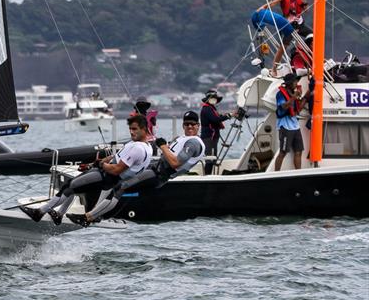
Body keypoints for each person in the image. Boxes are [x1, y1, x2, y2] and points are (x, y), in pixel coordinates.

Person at [68, 110, 205, 224]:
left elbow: (175, 163)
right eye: (187, 124)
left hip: (158, 175)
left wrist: (163, 146)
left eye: (193, 124)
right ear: (183, 125)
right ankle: (95, 213)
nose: (190, 127)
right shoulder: (183, 138)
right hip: (153, 168)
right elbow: (169, 153)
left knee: (120, 188)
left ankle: (88, 217)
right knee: (114, 180)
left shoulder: (193, 144)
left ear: (198, 125)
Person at [20, 114, 152, 224]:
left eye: (135, 129)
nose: (131, 132)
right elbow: (116, 157)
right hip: (104, 175)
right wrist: (94, 164)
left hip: (107, 177)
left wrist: (101, 165)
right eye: (130, 129)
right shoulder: (146, 146)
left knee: (70, 187)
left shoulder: (137, 148)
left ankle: (39, 213)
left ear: (144, 129)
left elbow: (117, 169)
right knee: (71, 186)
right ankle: (59, 215)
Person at [257, 0, 312, 73]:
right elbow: (273, 3)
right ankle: (274, 68)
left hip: (299, 23)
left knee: (312, 36)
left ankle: (308, 58)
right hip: (289, 25)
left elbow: (306, 10)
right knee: (283, 47)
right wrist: (263, 8)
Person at [275, 73, 306, 170]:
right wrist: (294, 96)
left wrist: (306, 96)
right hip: (285, 126)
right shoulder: (280, 94)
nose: (296, 83)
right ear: (289, 83)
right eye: (295, 81)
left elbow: (298, 110)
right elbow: (284, 106)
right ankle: (275, 175)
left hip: (295, 126)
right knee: (282, 152)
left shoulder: (294, 92)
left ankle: (298, 173)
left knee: (298, 151)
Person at [200, 89, 232, 174]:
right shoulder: (206, 109)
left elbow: (217, 117)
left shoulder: (211, 108)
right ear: (208, 99)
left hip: (213, 136)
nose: (214, 100)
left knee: (213, 157)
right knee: (210, 159)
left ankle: (210, 175)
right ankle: (207, 176)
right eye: (213, 98)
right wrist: (228, 116)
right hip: (209, 137)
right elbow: (215, 119)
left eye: (215, 98)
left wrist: (226, 115)